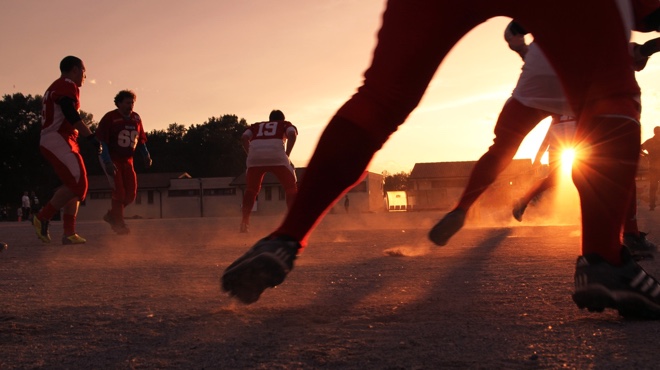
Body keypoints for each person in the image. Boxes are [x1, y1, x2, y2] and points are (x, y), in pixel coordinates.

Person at [222, 0, 660, 319]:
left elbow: (512, 35)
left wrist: (525, 39)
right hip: (568, 79)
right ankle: (607, 258)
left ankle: (284, 238)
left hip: (527, 83)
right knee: (612, 103)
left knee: (380, 99)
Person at [32, 55, 98, 245]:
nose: (85, 76)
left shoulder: (59, 86)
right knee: (78, 181)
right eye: (84, 71)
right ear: (76, 69)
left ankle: (69, 232)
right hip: (57, 137)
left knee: (77, 186)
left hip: (63, 138)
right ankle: (42, 217)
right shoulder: (67, 84)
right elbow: (70, 113)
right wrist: (91, 136)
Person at [96, 90, 152, 235]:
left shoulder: (136, 118)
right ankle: (119, 224)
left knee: (131, 195)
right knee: (119, 192)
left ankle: (112, 215)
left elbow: (140, 141)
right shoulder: (110, 118)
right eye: (127, 102)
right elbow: (102, 142)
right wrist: (107, 161)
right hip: (112, 158)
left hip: (128, 160)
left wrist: (146, 155)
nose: (131, 105)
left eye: (132, 102)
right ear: (119, 103)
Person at [238, 110, 297, 233]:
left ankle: (245, 222)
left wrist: (251, 154)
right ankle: (293, 222)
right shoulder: (284, 124)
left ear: (270, 120)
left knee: (251, 190)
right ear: (282, 119)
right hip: (277, 156)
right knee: (291, 188)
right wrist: (287, 155)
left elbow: (244, 137)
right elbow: (292, 135)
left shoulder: (255, 126)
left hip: (254, 158)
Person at [641, 126, 660, 210]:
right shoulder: (650, 142)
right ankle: (652, 205)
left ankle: (652, 206)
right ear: (655, 132)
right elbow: (640, 148)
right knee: (653, 187)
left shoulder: (649, 142)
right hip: (653, 168)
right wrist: (646, 155)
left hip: (653, 167)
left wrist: (646, 155)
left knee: (653, 187)